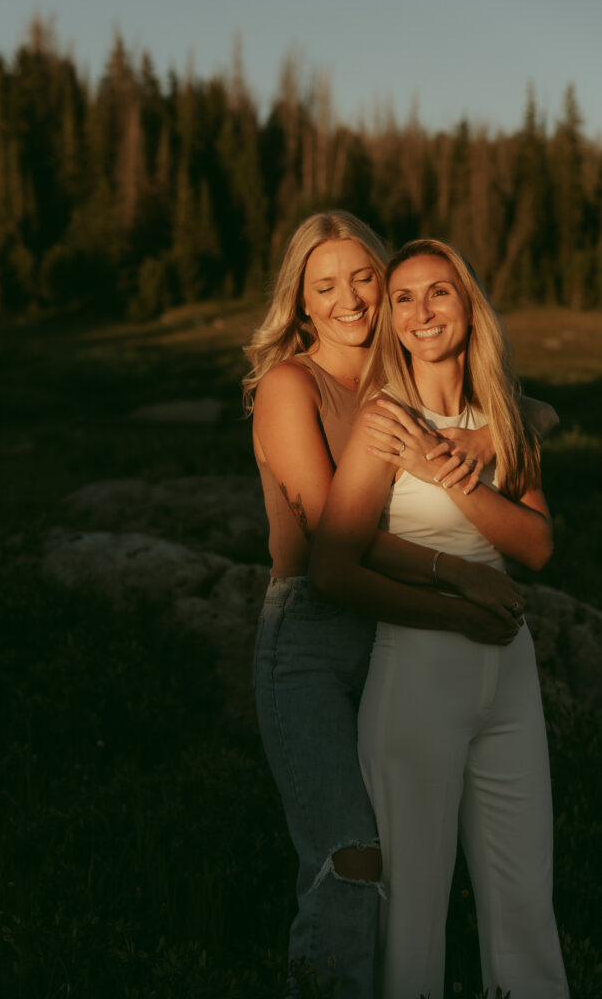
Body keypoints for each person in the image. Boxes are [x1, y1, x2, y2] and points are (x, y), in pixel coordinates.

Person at [243, 213, 538, 998]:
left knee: (405, 864)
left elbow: (526, 412)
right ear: (301, 304)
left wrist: (478, 446)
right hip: (308, 635)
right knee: (351, 855)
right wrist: (457, 577)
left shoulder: (396, 381)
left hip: (389, 631)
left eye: (363, 278)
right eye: (324, 285)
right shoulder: (289, 385)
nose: (349, 299)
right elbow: (330, 541)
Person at [310, 238, 569, 998]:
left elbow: (537, 545)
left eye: (440, 293)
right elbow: (331, 565)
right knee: (412, 907)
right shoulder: (385, 420)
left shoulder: (503, 418)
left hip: (508, 678)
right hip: (418, 673)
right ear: (391, 320)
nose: (422, 312)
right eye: (404, 298)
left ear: (469, 306)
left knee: (524, 894)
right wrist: (453, 608)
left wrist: (453, 476)